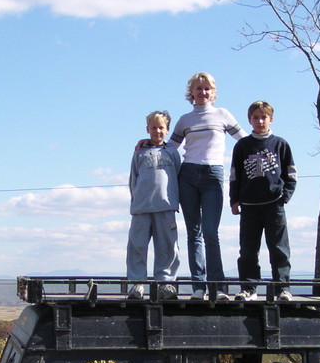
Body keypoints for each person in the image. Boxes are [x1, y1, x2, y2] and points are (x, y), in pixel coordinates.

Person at [168, 72, 247, 301]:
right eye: (198, 88)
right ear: (191, 92)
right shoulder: (184, 120)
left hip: (213, 175)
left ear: (213, 92)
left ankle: (218, 287)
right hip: (188, 175)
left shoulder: (223, 114)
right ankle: (198, 287)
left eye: (207, 89)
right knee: (194, 233)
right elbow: (170, 148)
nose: (203, 92)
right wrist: (147, 145)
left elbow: (244, 141)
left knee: (211, 232)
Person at [229, 100, 296, 301]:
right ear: (249, 120)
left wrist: (285, 196)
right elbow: (235, 175)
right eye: (255, 117)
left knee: (279, 248)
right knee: (248, 249)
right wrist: (234, 200)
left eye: (263, 117)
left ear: (271, 119)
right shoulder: (242, 145)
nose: (259, 121)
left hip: (274, 204)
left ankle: (282, 288)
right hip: (249, 206)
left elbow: (291, 173)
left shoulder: (280, 144)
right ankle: (249, 288)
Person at [126, 111, 181, 300]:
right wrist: (135, 200)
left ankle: (165, 284)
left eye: (161, 127)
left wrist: (176, 200)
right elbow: (133, 178)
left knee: (167, 247)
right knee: (137, 247)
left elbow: (178, 178)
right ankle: (136, 285)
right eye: (153, 127)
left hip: (166, 206)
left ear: (167, 129)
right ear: (147, 129)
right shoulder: (139, 152)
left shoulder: (172, 152)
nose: (157, 131)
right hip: (141, 208)